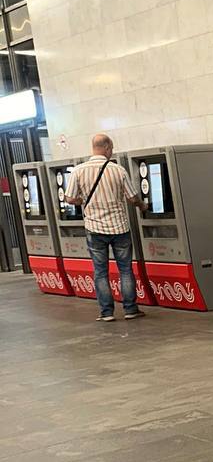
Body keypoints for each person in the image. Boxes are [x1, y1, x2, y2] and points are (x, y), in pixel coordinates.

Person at [63, 133, 146, 322]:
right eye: (112, 148)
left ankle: (107, 313)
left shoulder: (78, 171)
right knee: (125, 270)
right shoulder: (118, 170)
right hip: (119, 228)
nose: (112, 152)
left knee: (100, 272)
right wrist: (142, 206)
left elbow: (69, 198)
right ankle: (130, 309)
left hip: (94, 229)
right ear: (107, 147)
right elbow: (132, 198)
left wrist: (82, 201)